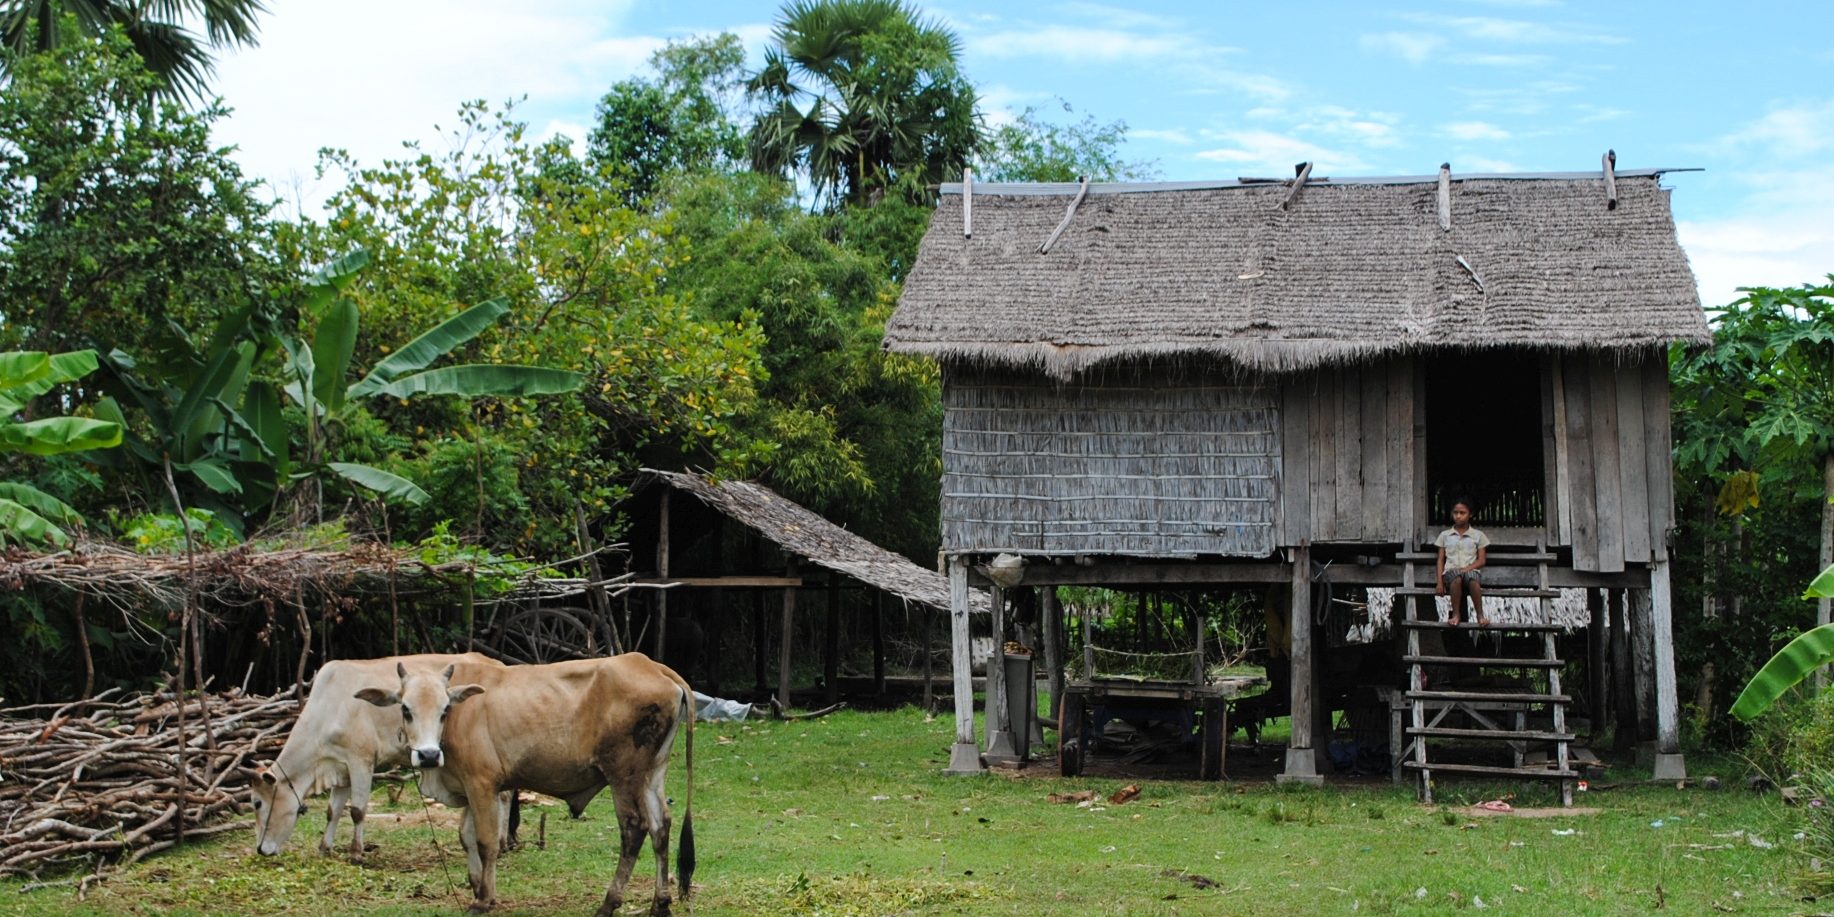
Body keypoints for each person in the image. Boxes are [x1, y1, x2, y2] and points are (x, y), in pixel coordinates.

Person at [1434, 498, 1490, 626]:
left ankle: (1480, 615)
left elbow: (1481, 560)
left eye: (1462, 513)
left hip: (1471, 571)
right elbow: (1440, 560)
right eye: (1455, 512)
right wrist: (1439, 583)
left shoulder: (1478, 535)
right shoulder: (1445, 535)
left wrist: (1466, 569)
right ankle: (1456, 614)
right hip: (1451, 572)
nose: (1458, 516)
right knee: (1456, 577)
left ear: (1470, 514)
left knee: (1473, 580)